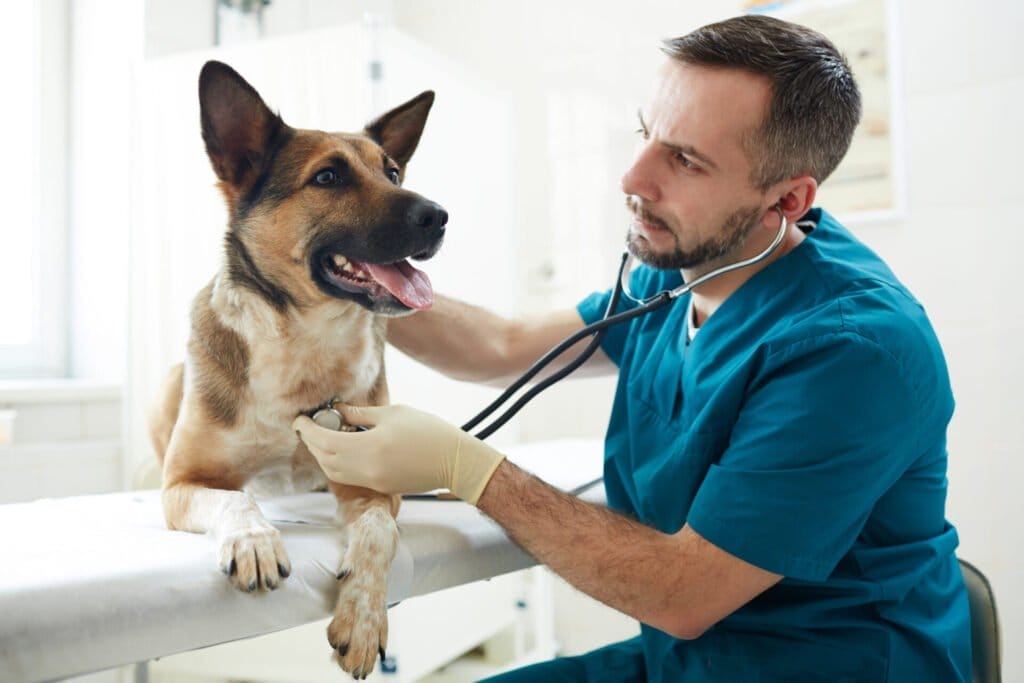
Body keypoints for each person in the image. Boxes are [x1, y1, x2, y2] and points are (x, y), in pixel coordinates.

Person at [293, 14, 971, 682]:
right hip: (690, 662)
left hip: (824, 664)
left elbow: (684, 593)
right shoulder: (684, 270)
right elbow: (500, 344)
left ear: (786, 199)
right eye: (649, 135)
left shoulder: (853, 350)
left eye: (685, 159)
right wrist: (355, 276)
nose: (632, 179)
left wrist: (468, 468)